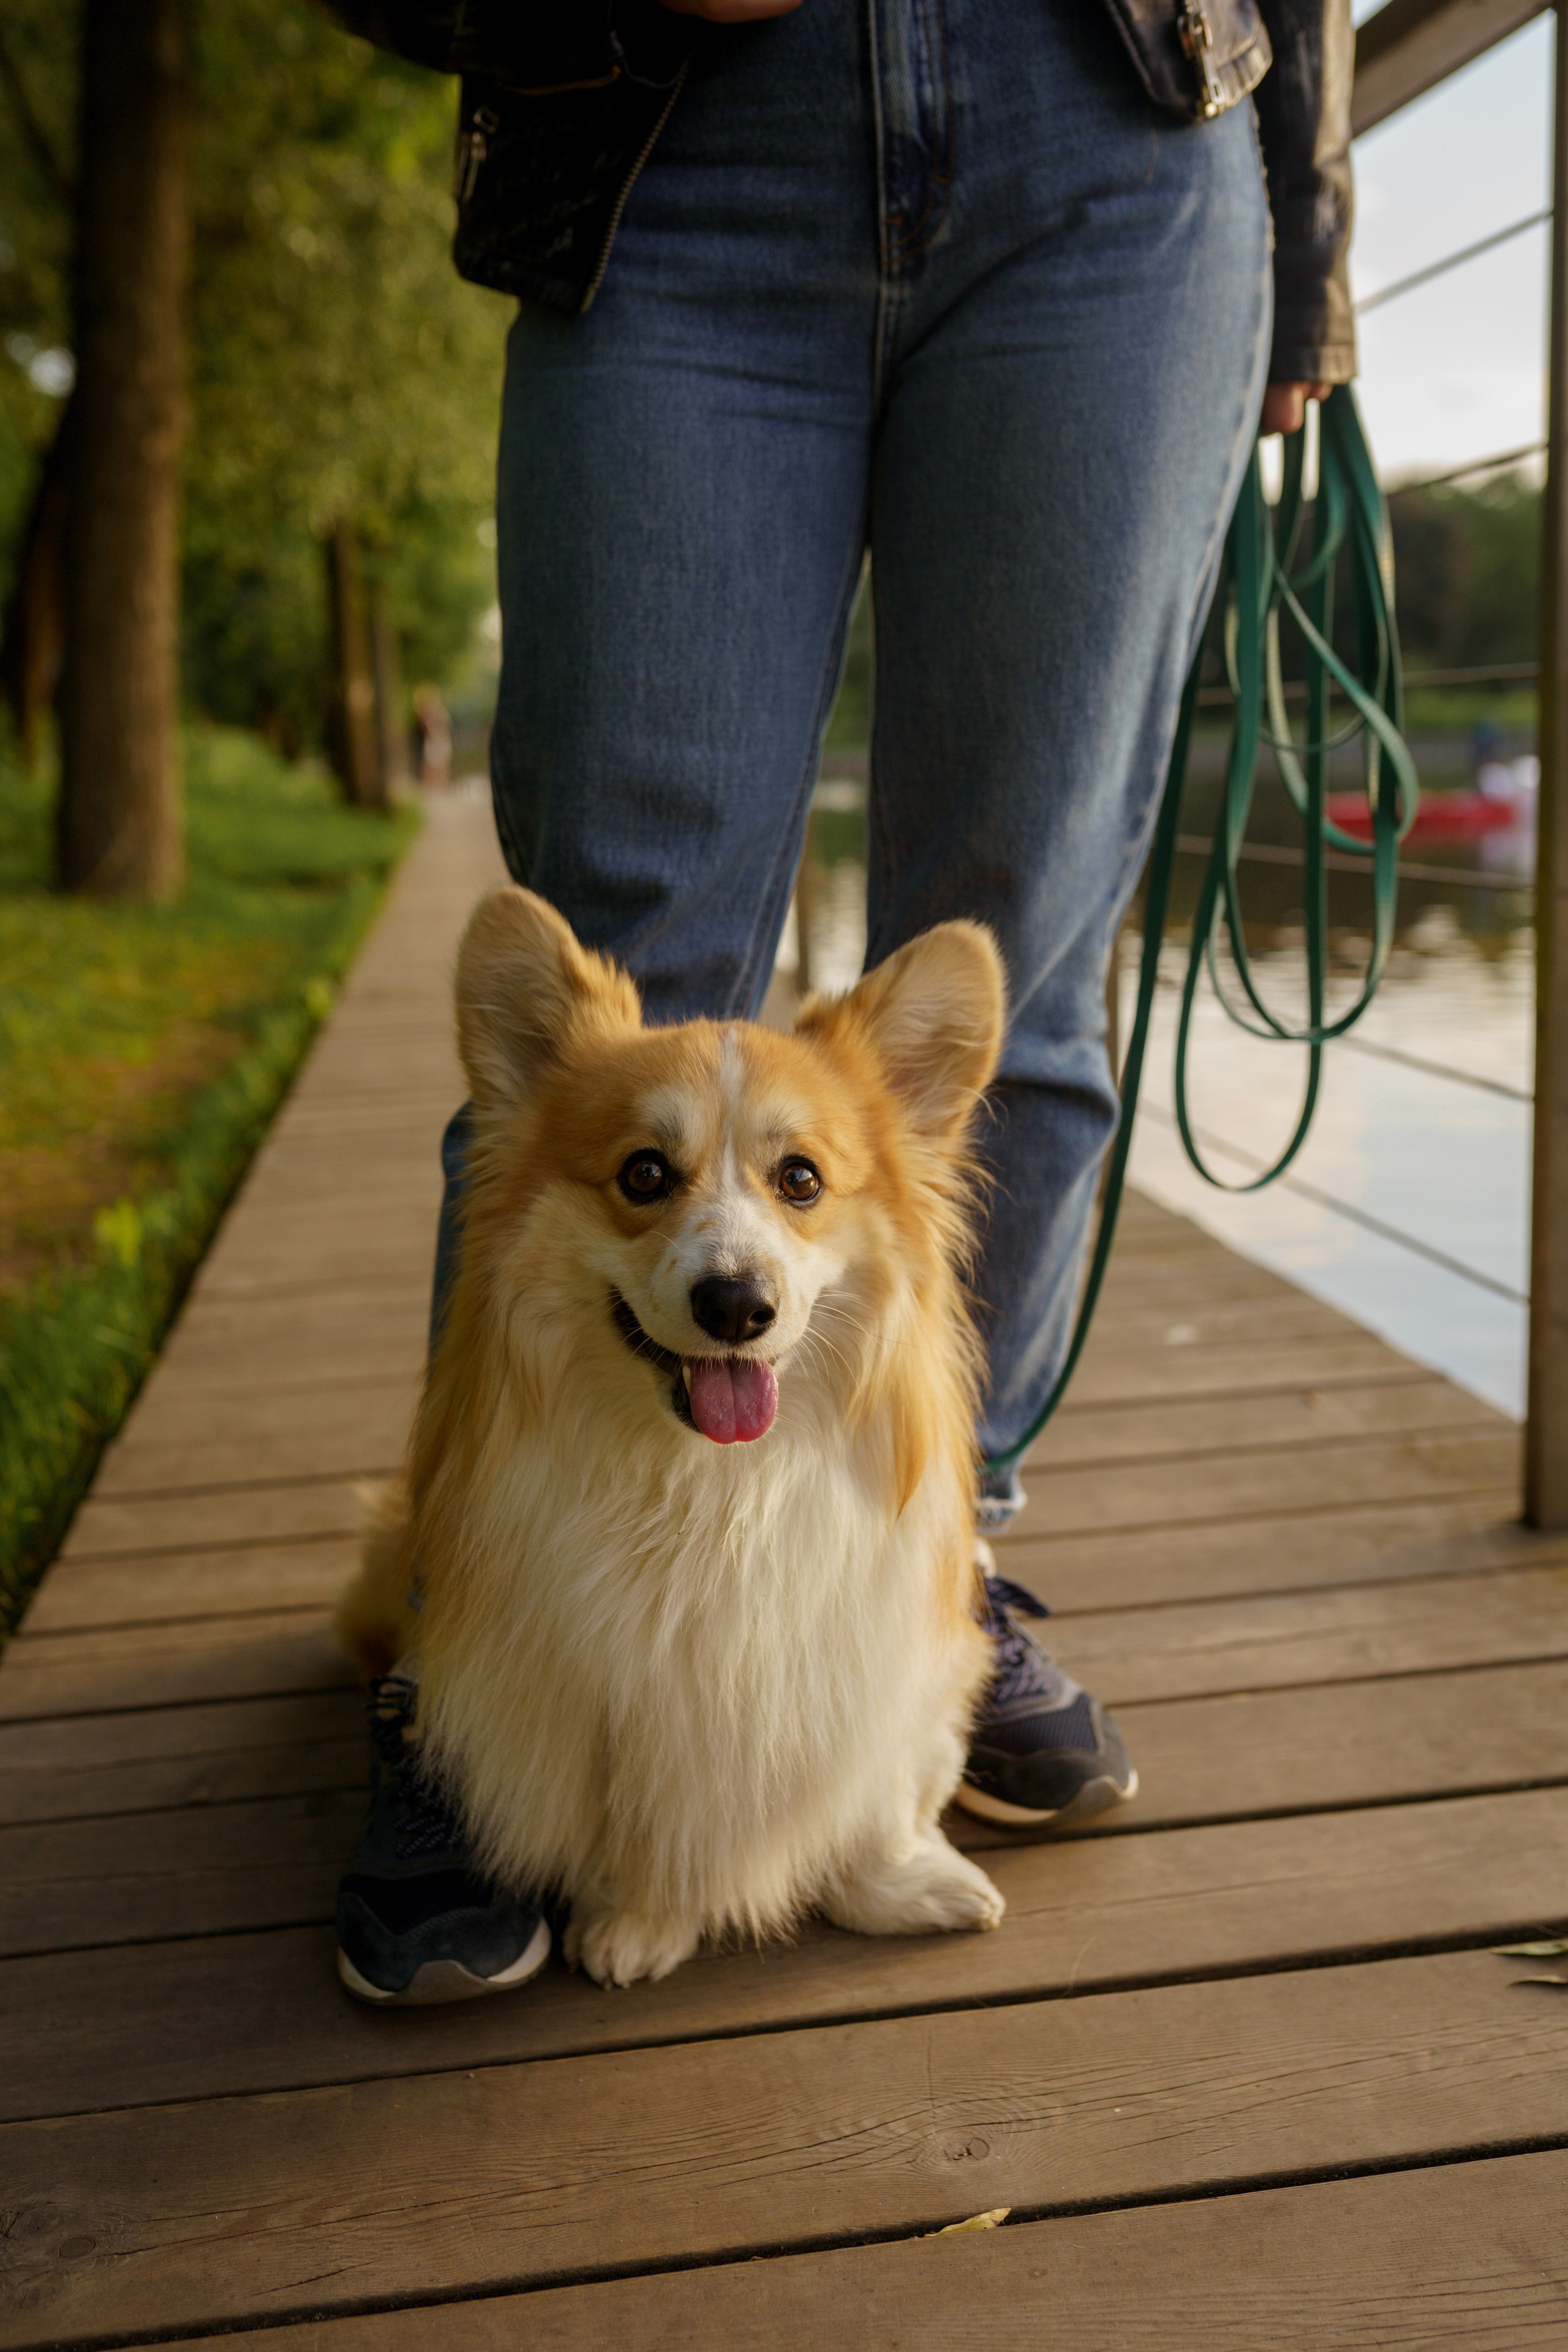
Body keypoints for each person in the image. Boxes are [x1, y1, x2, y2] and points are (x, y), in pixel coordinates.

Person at [327, 0, 1355, 2003]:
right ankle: (480, 1647)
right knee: (612, 949)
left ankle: (929, 1580)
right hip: (674, 142)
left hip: (1119, 137)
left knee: (1019, 975)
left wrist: (1304, 227)